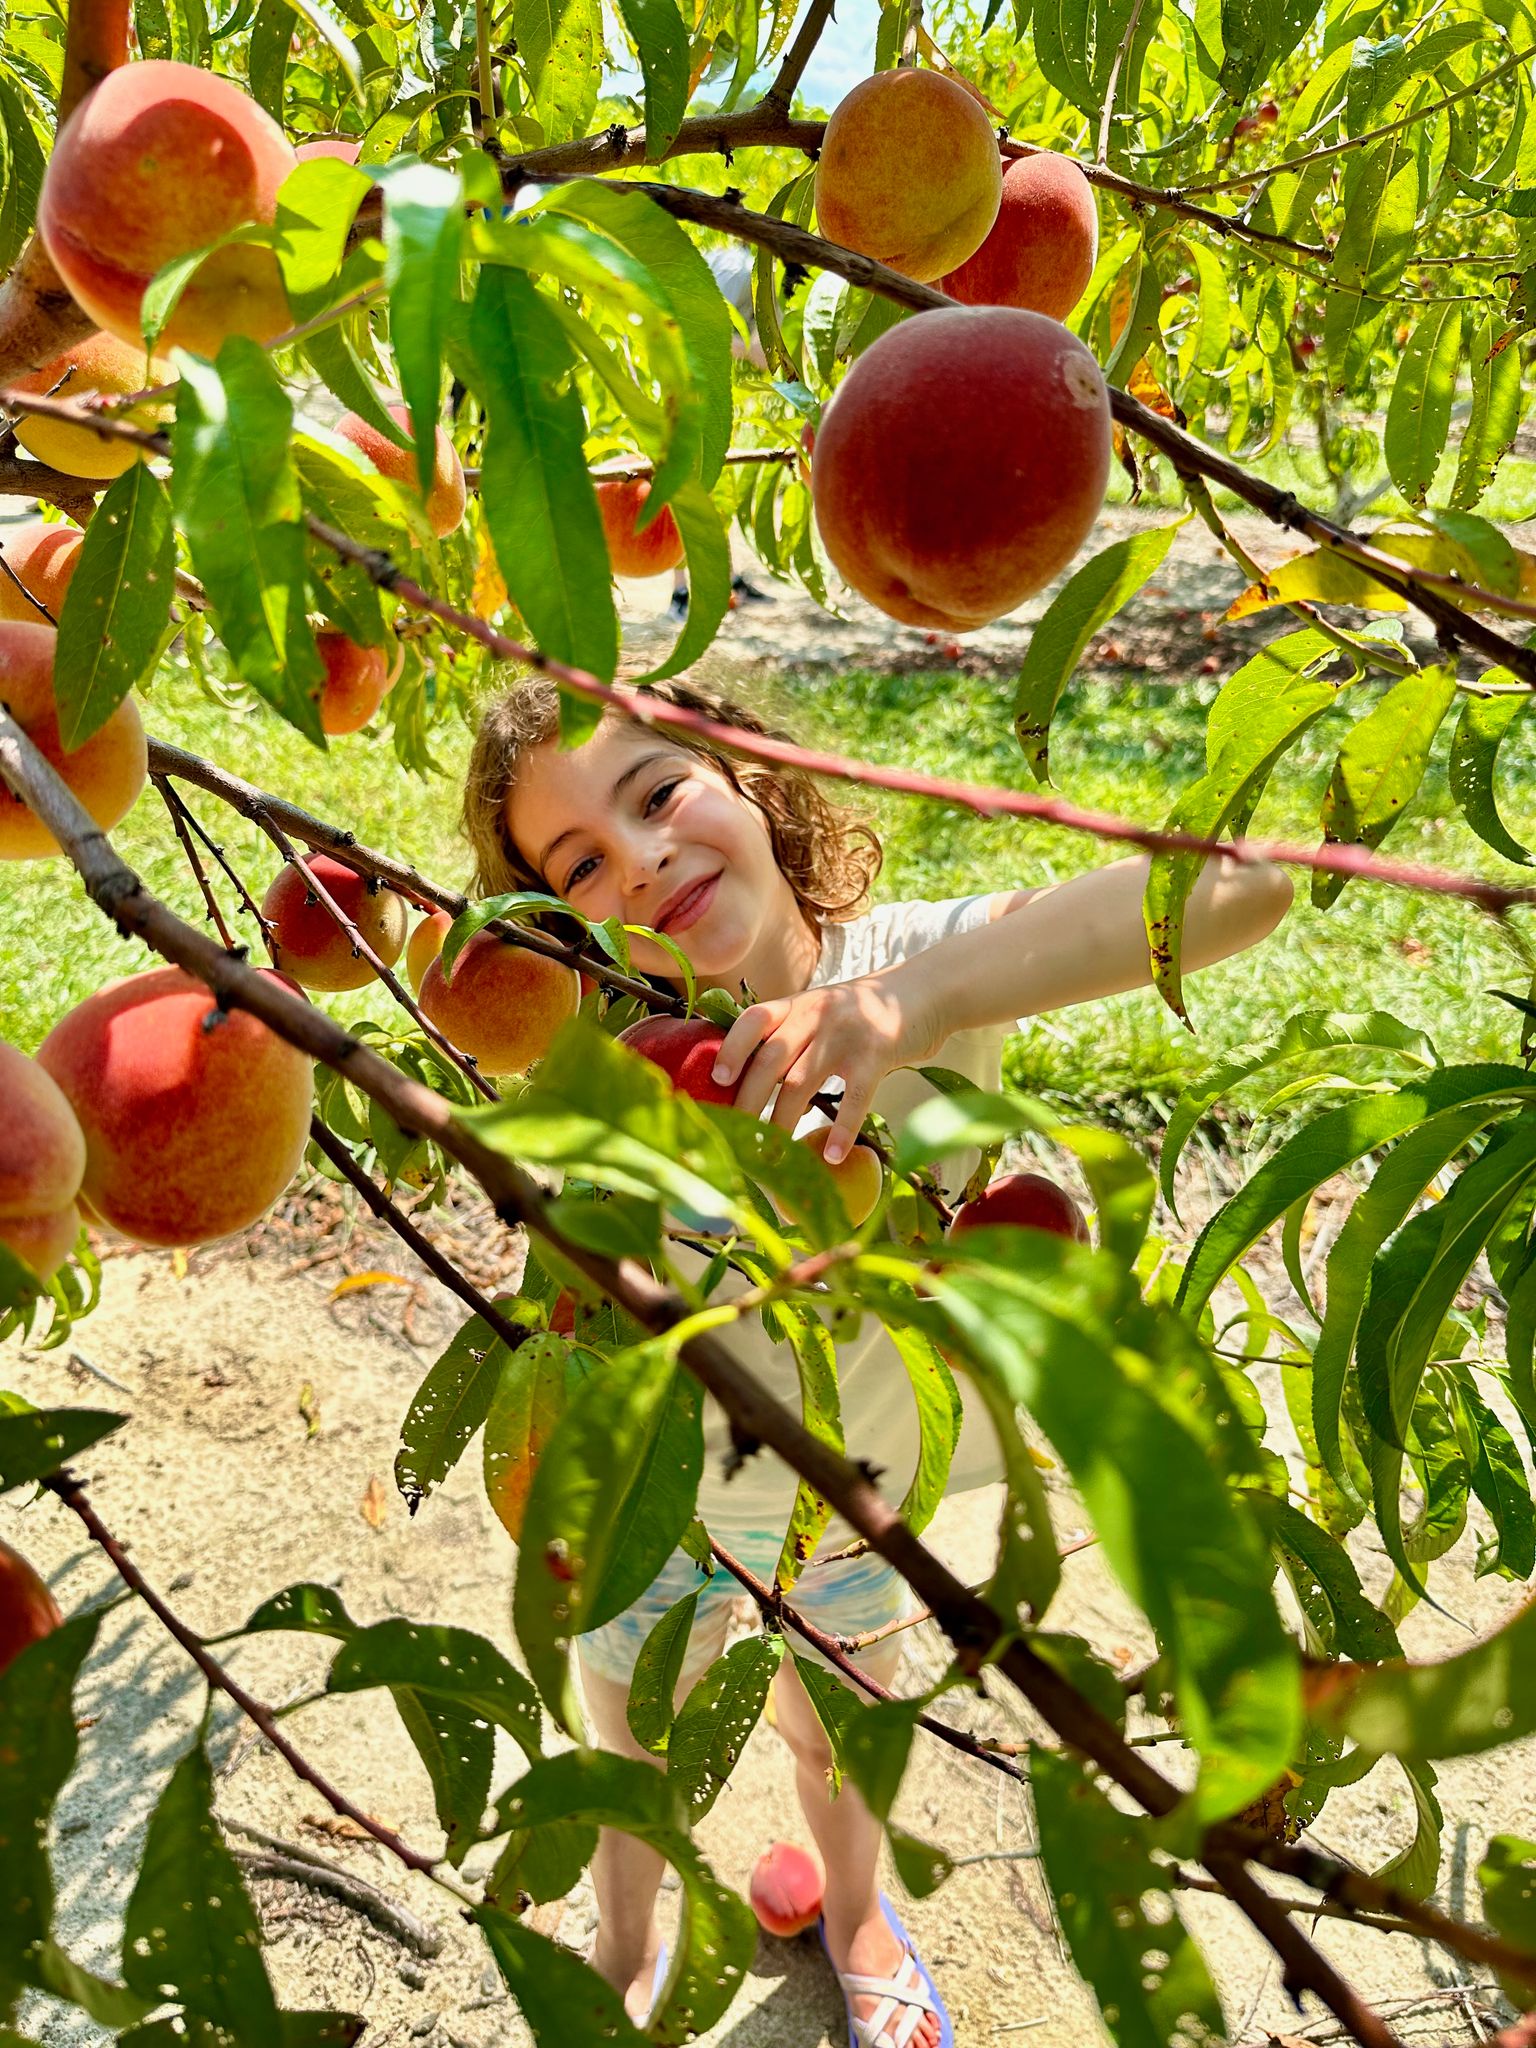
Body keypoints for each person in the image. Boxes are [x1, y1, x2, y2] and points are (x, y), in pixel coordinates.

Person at [459, 676, 1293, 2048]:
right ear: (557, 927)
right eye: (581, 867)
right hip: (649, 1511)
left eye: (659, 791)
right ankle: (622, 1944)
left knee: (840, 1744)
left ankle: (854, 1919)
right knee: (628, 1747)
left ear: (754, 779)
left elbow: (1245, 888)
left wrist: (912, 1001)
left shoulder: (912, 963)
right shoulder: (604, 1059)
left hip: (851, 1508)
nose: (643, 857)